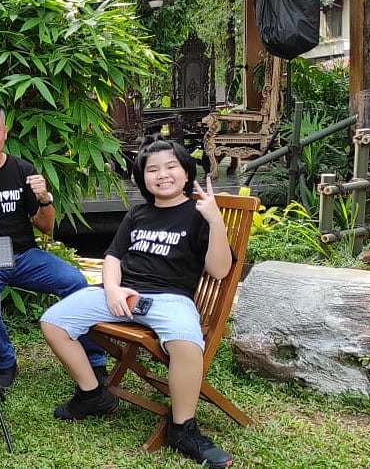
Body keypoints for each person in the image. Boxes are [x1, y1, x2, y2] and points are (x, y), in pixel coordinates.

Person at [39, 137, 234, 468]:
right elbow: (113, 257)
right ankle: (93, 395)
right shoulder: (138, 213)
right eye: (152, 169)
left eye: (171, 166)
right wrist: (113, 290)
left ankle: (182, 428)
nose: (162, 174)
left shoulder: (198, 215)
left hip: (170, 297)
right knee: (54, 322)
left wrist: (215, 221)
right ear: (143, 178)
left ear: (187, 172)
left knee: (187, 344)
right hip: (122, 292)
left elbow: (219, 270)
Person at [0, 102, 106, 391]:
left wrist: (44, 198)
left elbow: (46, 227)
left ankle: (94, 360)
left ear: (5, 132)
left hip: (25, 255)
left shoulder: (22, 170)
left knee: (76, 282)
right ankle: (5, 361)